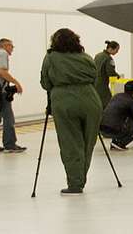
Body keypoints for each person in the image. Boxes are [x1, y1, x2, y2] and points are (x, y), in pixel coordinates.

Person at [39, 28, 104, 195]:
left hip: (64, 100)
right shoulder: (86, 57)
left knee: (71, 143)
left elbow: (45, 82)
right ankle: (81, 177)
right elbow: (95, 78)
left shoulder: (51, 58)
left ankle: (75, 183)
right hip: (90, 99)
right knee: (88, 143)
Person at [0, 38, 26, 153]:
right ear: (5, 46)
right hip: (1, 92)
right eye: (11, 46)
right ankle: (9, 144)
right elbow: (2, 72)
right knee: (8, 118)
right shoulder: (3, 53)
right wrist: (16, 83)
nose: (12, 49)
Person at [100, 81, 133, 150]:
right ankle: (120, 143)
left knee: (121, 120)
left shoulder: (116, 96)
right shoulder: (132, 101)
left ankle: (115, 141)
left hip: (102, 129)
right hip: (114, 130)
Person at [92, 41, 120, 107]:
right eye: (117, 50)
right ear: (111, 48)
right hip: (103, 85)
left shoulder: (98, 55)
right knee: (108, 103)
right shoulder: (108, 59)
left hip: (94, 83)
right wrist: (118, 76)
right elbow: (110, 72)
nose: (117, 52)